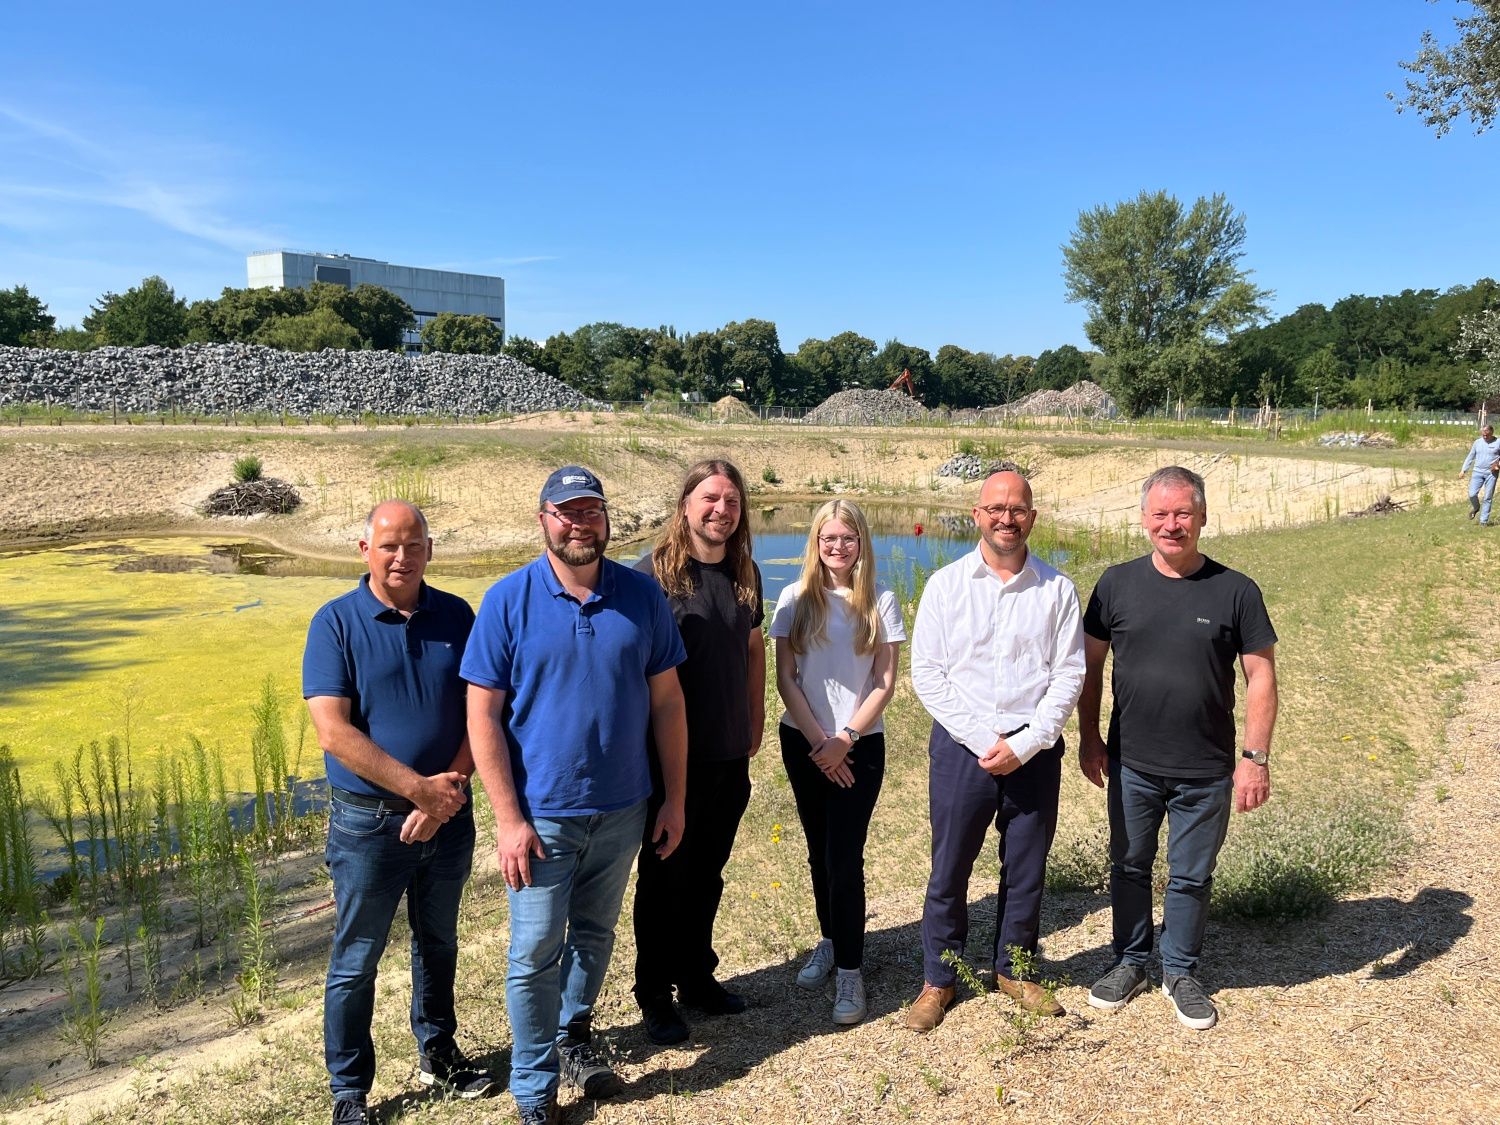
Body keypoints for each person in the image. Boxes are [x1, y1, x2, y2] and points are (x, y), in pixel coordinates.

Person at [462, 466, 688, 1125]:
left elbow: (668, 703)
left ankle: (570, 1038)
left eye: (591, 509)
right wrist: (507, 817)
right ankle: (534, 1089)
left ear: (606, 518)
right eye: (565, 512)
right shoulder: (508, 600)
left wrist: (673, 798)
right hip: (541, 818)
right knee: (534, 949)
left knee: (593, 934)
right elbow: (482, 715)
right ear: (543, 520)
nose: (579, 522)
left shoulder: (642, 598)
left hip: (624, 809)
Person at [303, 500, 495, 1125]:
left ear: (429, 550)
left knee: (438, 942)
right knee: (357, 956)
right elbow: (333, 732)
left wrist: (451, 790)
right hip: (370, 825)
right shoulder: (335, 623)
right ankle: (349, 1090)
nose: (401, 556)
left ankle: (438, 1050)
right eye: (388, 545)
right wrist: (419, 791)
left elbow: (481, 711)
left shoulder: (457, 615)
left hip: (450, 812)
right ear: (365, 551)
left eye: (413, 544)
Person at [1078, 465, 1278, 1031]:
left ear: (1203, 517)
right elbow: (1089, 670)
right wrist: (1090, 738)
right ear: (1143, 520)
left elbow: (1261, 678)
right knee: (1130, 865)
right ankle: (1132, 960)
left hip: (1207, 767)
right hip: (1132, 763)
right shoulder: (1115, 585)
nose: (1172, 525)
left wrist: (1254, 759)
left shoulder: (1236, 590)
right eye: (1161, 514)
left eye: (1183, 514)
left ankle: (1181, 971)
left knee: (1191, 875)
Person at [905, 470, 1085, 1032]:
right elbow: (928, 677)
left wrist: (1027, 743)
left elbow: (1069, 673)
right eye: (996, 508)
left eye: (1019, 508)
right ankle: (940, 978)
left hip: (1034, 750)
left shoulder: (1057, 589)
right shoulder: (945, 586)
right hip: (965, 750)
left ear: (1033, 516)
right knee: (950, 867)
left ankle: (1015, 969)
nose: (1007, 517)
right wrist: (989, 743)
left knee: (1026, 868)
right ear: (977, 514)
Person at [631, 459, 765, 1044]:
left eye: (732, 502)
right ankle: (654, 993)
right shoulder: (651, 580)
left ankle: (696, 976)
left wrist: (756, 716)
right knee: (664, 879)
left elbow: (754, 648)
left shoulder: (745, 572)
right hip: (667, 763)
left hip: (729, 755)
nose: (721, 511)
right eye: (710, 498)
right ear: (685, 504)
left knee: (708, 874)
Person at [770, 499, 904, 1026]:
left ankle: (851, 970)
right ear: (816, 542)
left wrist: (844, 739)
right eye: (829, 538)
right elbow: (785, 679)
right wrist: (820, 744)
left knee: (845, 857)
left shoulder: (881, 601)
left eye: (848, 538)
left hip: (859, 747)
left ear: (861, 543)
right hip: (803, 742)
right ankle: (829, 939)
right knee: (817, 853)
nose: (838, 547)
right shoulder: (793, 597)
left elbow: (885, 683)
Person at [1460, 423, 1500, 526]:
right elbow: (1470, 456)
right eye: (1483, 435)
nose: (1485, 437)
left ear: (1492, 433)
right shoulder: (1477, 443)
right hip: (1477, 472)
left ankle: (1483, 521)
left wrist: (1498, 464)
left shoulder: (1498, 442)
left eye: (1487, 435)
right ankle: (1476, 507)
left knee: (1487, 497)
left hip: (1492, 473)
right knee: (1472, 494)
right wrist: (1463, 470)